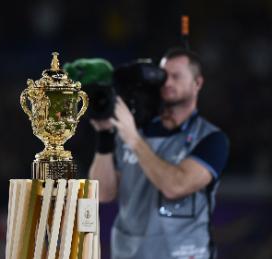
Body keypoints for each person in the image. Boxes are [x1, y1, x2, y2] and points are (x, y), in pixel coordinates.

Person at [89, 48, 229, 259]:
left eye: (176, 76)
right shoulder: (134, 132)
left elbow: (176, 186)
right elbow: (103, 193)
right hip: (130, 253)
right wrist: (105, 136)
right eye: (164, 75)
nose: (167, 82)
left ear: (197, 83)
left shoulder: (211, 139)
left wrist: (133, 139)